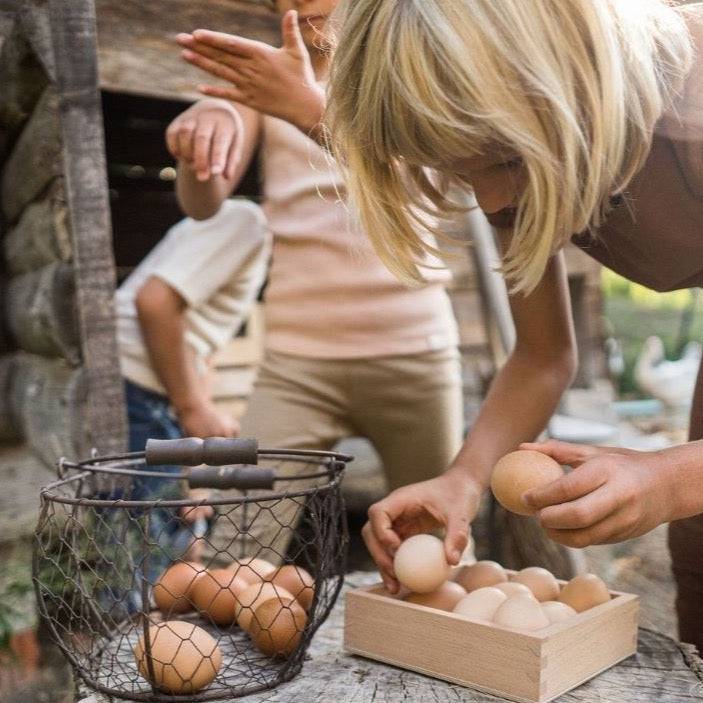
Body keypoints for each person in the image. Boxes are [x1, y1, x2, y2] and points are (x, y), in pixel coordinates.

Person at [181, 0, 703, 648]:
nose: (490, 201)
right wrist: (463, 477)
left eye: (500, 161)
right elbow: (541, 355)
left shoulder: (693, 109)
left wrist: (673, 475)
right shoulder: (513, 146)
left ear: (566, 74)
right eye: (463, 172)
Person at [171, 0, 463, 563]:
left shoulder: (412, 63)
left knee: (433, 549)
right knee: (231, 552)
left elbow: (418, 171)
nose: (300, 3)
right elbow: (201, 204)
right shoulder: (267, 79)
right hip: (296, 366)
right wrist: (197, 150)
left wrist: (305, 106)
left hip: (416, 358)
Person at [114, 198, 270, 573]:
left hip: (149, 389)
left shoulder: (236, 233)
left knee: (165, 534)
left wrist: (195, 456)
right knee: (144, 557)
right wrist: (192, 407)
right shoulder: (247, 222)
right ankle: (135, 627)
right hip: (138, 385)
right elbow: (154, 303)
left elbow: (199, 345)